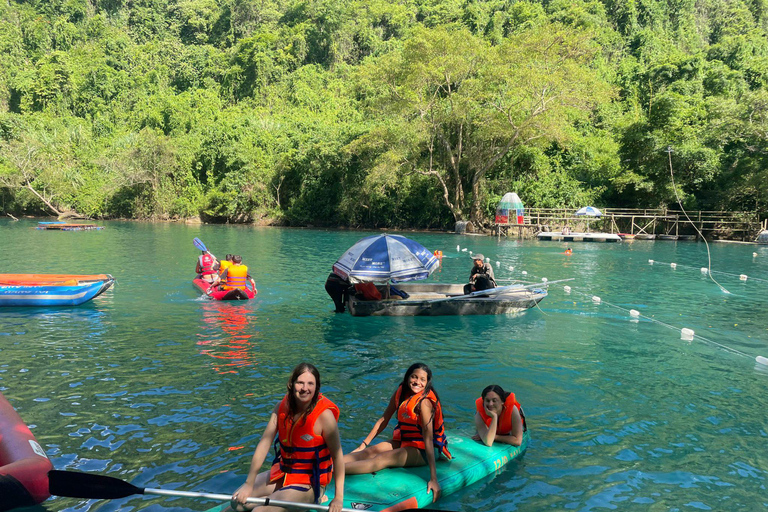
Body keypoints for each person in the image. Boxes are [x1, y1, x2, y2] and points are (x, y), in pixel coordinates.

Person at [230, 363, 344, 512]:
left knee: (259, 511)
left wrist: (338, 498)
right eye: (300, 382)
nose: (305, 388)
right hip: (284, 474)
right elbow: (264, 444)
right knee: (237, 503)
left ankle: (311, 499)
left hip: (309, 484)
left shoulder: (325, 416)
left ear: (317, 387)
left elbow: (337, 456)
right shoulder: (281, 408)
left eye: (310, 383)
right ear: (291, 384)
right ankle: (278, 502)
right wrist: (248, 484)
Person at [344, 363, 451, 502]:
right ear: (407, 377)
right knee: (370, 451)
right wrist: (363, 445)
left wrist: (433, 479)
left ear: (427, 383)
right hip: (406, 441)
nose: (417, 382)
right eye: (414, 377)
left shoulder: (425, 403)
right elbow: (383, 420)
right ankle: (326, 464)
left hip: (425, 450)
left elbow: (428, 439)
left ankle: (331, 471)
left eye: (422, 379)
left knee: (383, 458)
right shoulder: (401, 392)